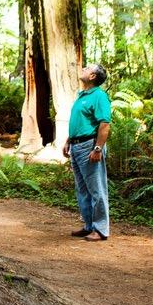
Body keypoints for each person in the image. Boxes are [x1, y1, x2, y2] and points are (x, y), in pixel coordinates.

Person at [66, 63, 112, 241]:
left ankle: (100, 230)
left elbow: (104, 124)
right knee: (82, 190)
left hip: (89, 146)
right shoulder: (81, 96)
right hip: (76, 146)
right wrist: (68, 140)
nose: (83, 68)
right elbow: (79, 122)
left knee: (96, 189)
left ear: (93, 76)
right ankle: (89, 226)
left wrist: (98, 148)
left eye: (87, 68)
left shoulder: (99, 96)